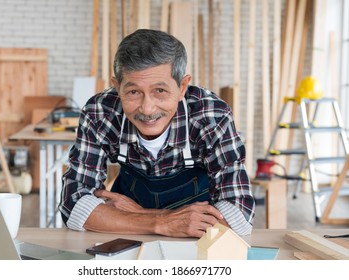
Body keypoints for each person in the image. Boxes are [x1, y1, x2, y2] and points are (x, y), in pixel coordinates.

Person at [59, 29, 255, 238]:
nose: (147, 109)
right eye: (134, 92)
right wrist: (162, 221)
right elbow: (74, 206)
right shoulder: (100, 113)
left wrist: (140, 215)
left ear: (182, 87)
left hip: (193, 242)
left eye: (160, 91)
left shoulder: (211, 115)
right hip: (127, 237)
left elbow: (239, 215)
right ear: (117, 87)